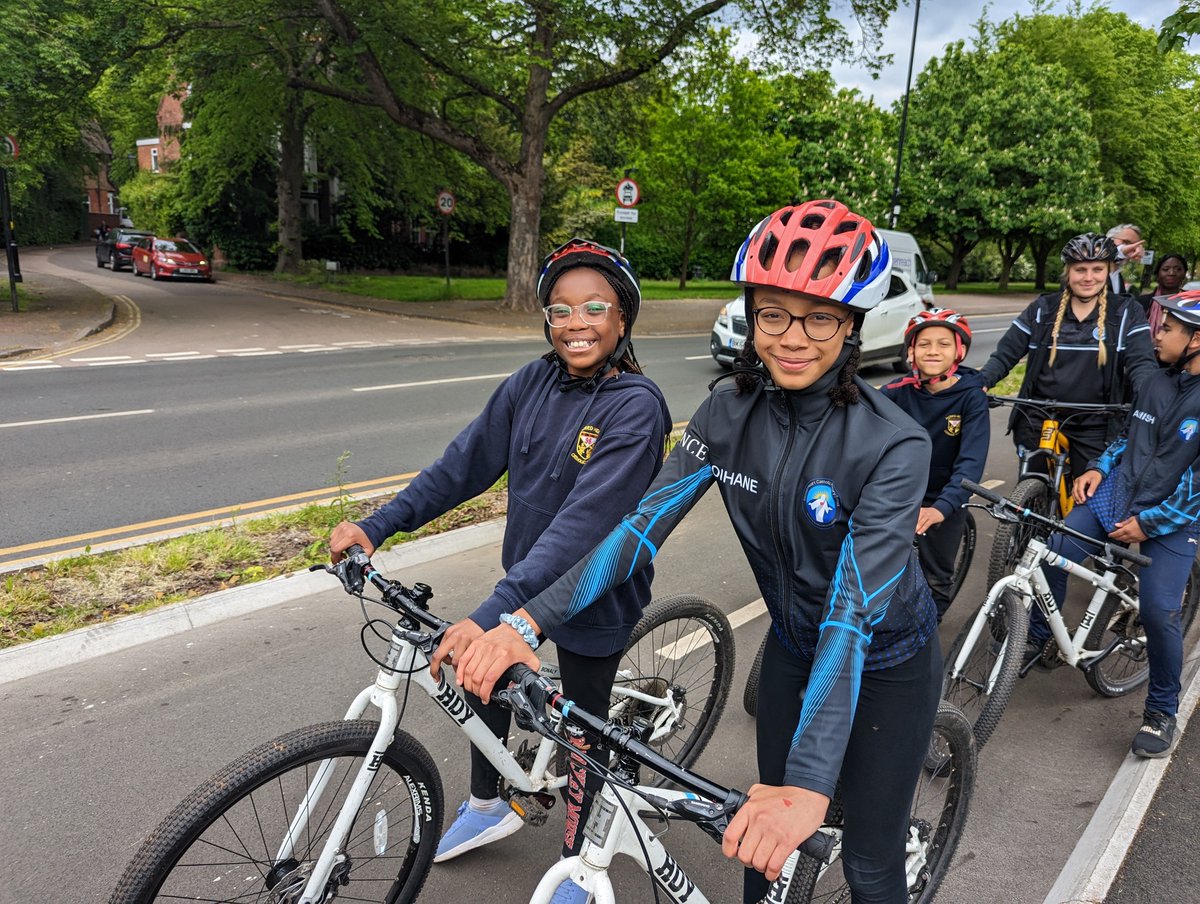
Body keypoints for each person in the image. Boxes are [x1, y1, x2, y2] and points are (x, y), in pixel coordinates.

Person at [441, 200, 942, 903]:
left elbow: (853, 610)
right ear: (751, 315)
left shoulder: (893, 442)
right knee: (761, 856)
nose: (793, 338)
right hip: (795, 651)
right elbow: (636, 532)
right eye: (773, 314)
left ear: (852, 324)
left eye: (820, 317)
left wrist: (806, 786)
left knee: (868, 863)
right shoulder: (724, 415)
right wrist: (524, 625)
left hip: (888, 659)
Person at [329, 238, 671, 900]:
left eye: (594, 307)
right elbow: (460, 465)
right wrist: (376, 526)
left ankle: (581, 857)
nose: (576, 323)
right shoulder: (530, 383)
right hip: (523, 587)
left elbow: (584, 527)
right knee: (485, 683)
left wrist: (493, 614)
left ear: (622, 318)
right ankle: (488, 803)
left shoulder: (636, 405)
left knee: (582, 730)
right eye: (560, 310)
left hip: (594, 595)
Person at [1027, 289, 1200, 758]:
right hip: (1113, 496)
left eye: (1168, 328)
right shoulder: (1157, 382)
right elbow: (1127, 437)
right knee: (1052, 555)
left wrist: (1149, 523)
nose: (1158, 334)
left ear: (1197, 339)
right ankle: (1042, 639)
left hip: (1171, 522)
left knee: (1159, 613)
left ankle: (1162, 710)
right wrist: (1099, 467)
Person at [979, 233, 1157, 489]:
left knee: (1087, 498)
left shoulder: (1126, 312)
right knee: (1030, 492)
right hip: (1038, 417)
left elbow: (1142, 364)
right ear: (1067, 272)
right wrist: (982, 381)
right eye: (1080, 269)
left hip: (1095, 422)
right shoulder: (1042, 309)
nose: (1088, 277)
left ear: (1108, 271)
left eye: (1097, 269)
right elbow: (1005, 355)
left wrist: (1150, 397)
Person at [882, 309, 990, 621]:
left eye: (943, 344)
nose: (932, 350)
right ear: (911, 351)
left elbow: (971, 463)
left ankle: (931, 624)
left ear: (960, 351)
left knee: (935, 573)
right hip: (899, 490)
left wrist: (941, 508)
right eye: (924, 344)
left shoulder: (971, 398)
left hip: (942, 496)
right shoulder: (894, 392)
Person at [1138, 253, 1189, 335]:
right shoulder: (1140, 303)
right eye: (1166, 269)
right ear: (1157, 274)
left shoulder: (1192, 303)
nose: (1172, 273)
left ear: (1185, 273)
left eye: (1178, 269)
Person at [1106, 223, 1144, 296]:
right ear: (1109, 240)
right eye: (1126, 242)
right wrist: (1120, 252)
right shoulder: (1092, 268)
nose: (1132, 248)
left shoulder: (1119, 275)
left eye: (1136, 245)